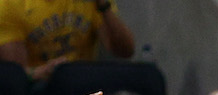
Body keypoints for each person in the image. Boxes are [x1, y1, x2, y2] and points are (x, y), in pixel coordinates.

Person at [0, 0, 133, 79]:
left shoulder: (90, 3)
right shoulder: (10, 4)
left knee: (146, 76)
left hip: (85, 78)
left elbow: (125, 51)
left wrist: (104, 6)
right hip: (42, 84)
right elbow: (15, 74)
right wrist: (44, 70)